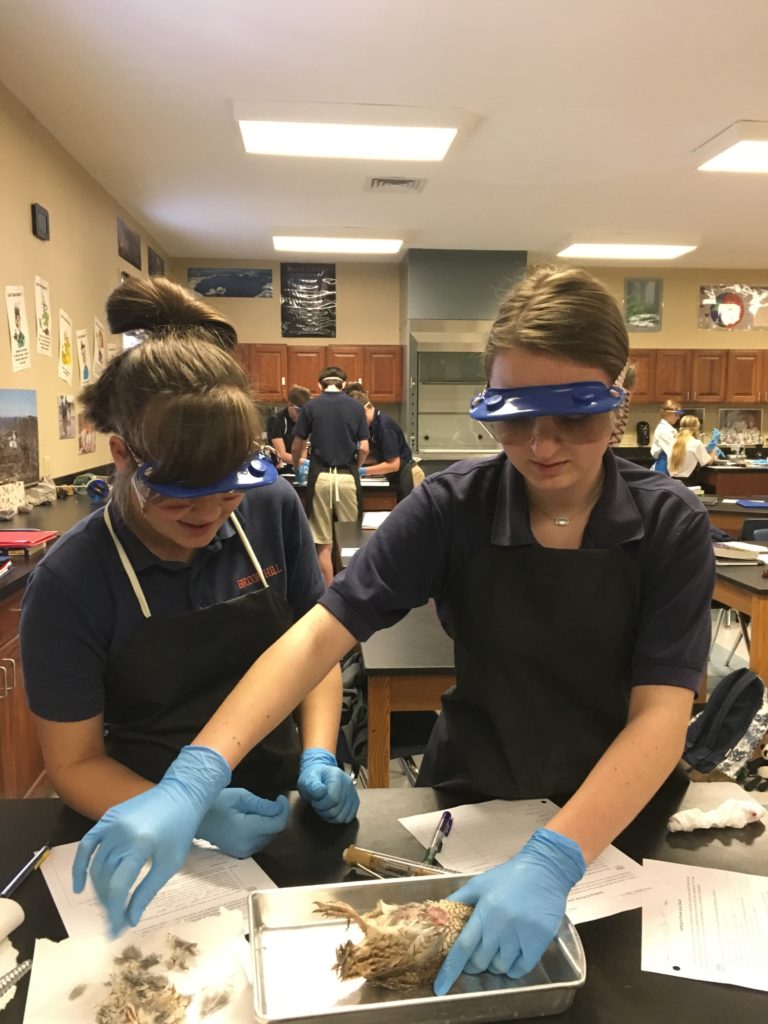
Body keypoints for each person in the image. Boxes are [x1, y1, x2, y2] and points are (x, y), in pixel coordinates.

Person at [73, 267, 714, 996]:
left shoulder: (670, 524)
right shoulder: (452, 508)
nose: (541, 445)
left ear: (618, 397)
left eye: (574, 416)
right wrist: (196, 775)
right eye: (513, 418)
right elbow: (319, 635)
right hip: (477, 801)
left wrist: (556, 856)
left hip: (620, 819)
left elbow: (661, 716)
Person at [21, 276, 357, 878]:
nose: (207, 512)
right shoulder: (72, 581)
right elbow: (74, 764)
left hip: (281, 806)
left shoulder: (272, 508)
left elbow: (315, 650)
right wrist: (186, 811)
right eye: (181, 494)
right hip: (145, 820)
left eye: (228, 489)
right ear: (122, 455)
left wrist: (318, 754)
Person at [291, 366, 369, 584]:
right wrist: (356, 467)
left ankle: (328, 592)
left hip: (321, 478)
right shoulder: (356, 407)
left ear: (319, 385)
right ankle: (351, 591)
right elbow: (364, 448)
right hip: (347, 477)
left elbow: (297, 446)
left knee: (323, 542)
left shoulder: (310, 407)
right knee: (351, 542)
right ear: (344, 384)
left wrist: (296, 467)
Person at [351, 391, 425, 499]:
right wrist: (356, 463)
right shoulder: (373, 426)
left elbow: (393, 465)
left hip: (409, 475)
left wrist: (362, 471)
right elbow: (379, 456)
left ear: (363, 411)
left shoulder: (384, 426)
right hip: (398, 474)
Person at [265, 385, 311, 468]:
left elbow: (303, 448)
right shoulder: (276, 420)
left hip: (297, 464)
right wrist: (304, 462)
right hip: (280, 467)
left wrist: (302, 467)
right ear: (290, 405)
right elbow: (282, 454)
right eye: (299, 411)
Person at [668, 415, 717, 484]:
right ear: (696, 429)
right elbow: (708, 462)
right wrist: (714, 449)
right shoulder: (696, 443)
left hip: (672, 481)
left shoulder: (673, 442)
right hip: (688, 482)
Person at [650, 399, 682, 473]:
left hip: (668, 464)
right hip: (662, 466)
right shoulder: (662, 430)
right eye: (676, 414)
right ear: (668, 413)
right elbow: (674, 450)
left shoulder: (670, 429)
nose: (678, 418)